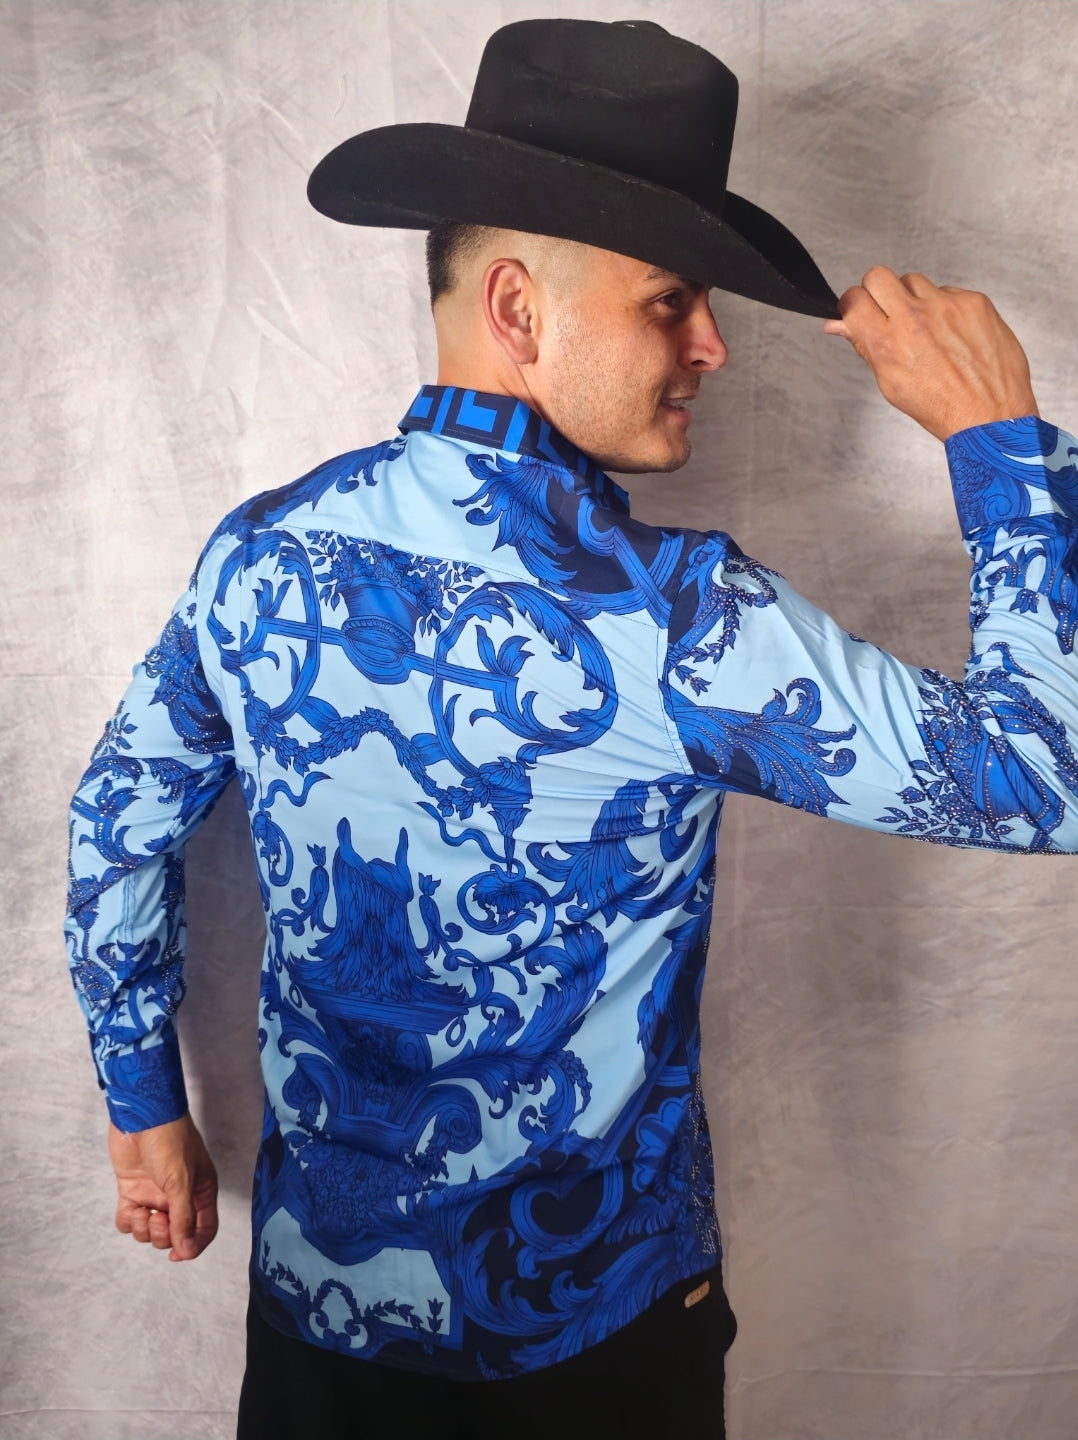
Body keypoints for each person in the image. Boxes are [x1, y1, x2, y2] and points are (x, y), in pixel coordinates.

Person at [64, 17, 1078, 1440]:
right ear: (520, 308)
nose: (714, 346)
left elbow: (114, 824)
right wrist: (1000, 442)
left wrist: (141, 1112)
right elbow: (1046, 776)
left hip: (317, 1322)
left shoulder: (260, 552)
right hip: (593, 1348)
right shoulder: (678, 620)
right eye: (670, 301)